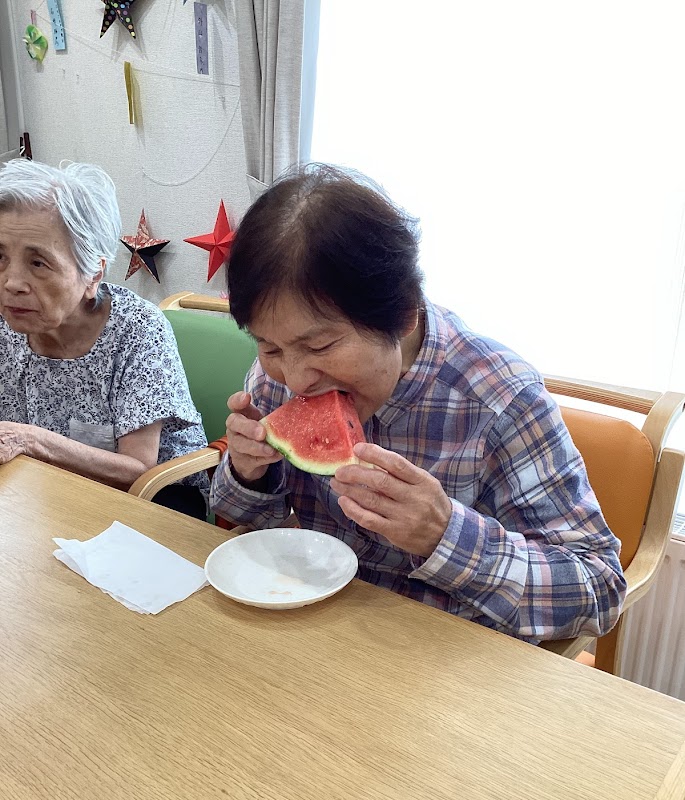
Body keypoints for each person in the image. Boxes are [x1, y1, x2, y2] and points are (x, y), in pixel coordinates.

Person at [210, 164, 626, 642]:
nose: (297, 379)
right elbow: (246, 519)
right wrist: (248, 472)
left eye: (321, 346)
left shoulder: (501, 398)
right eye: (269, 346)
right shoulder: (277, 374)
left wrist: (445, 535)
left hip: (452, 656)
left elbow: (600, 589)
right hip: (317, 632)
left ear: (404, 314)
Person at [0, 158, 208, 519]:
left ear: (93, 275)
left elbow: (138, 469)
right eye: (0, 256)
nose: (12, 282)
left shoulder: (137, 330)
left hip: (153, 502)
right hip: (44, 491)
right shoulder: (6, 324)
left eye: (38, 263)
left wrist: (31, 440)